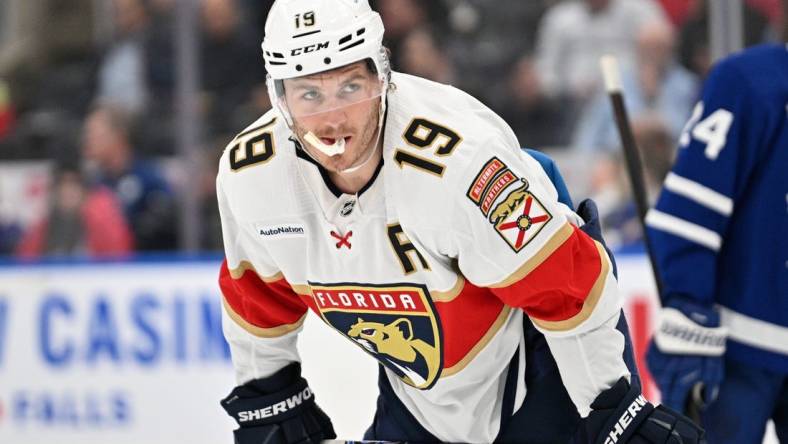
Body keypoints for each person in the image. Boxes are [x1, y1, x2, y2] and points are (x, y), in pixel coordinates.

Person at [215, 1, 703, 443]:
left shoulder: (459, 163)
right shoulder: (252, 176)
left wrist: (609, 409)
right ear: (279, 98)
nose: (333, 120)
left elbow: (566, 285)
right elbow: (255, 294)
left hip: (534, 353)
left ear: (382, 76)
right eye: (309, 95)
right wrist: (266, 393)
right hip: (422, 392)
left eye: (350, 86)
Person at [645, 42, 788, 443]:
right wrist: (688, 304)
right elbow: (691, 208)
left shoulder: (748, 78)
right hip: (736, 346)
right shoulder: (753, 81)